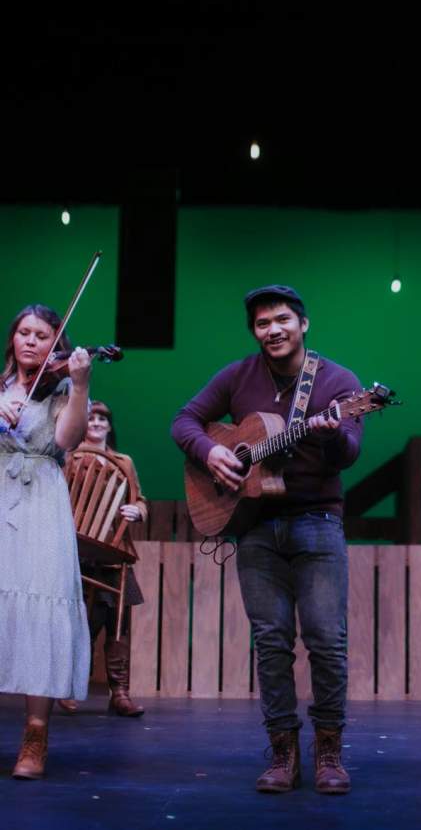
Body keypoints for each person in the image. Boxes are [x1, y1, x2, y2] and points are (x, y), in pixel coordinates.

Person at [171, 285, 363, 795]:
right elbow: (184, 421)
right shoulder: (238, 376)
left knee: (326, 640)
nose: (272, 330)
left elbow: (348, 454)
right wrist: (212, 452)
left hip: (317, 521)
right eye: (262, 324)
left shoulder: (339, 382)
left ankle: (328, 753)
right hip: (254, 526)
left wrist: (330, 432)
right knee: (271, 642)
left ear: (303, 324)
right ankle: (281, 753)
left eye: (282, 320)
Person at [0, 304, 91, 780]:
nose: (31, 341)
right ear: (12, 338)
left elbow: (68, 438)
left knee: (40, 608)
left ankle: (35, 735)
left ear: (56, 344)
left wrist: (79, 384)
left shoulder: (59, 387)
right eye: (24, 332)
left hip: (39, 502)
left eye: (42, 335)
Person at [60, 401, 147, 717]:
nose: (96, 423)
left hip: (114, 550)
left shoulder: (124, 461)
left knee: (119, 623)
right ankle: (67, 686)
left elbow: (139, 500)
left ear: (110, 426)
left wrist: (137, 510)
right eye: (91, 418)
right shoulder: (69, 456)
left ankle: (119, 692)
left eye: (102, 419)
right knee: (80, 623)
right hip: (79, 552)